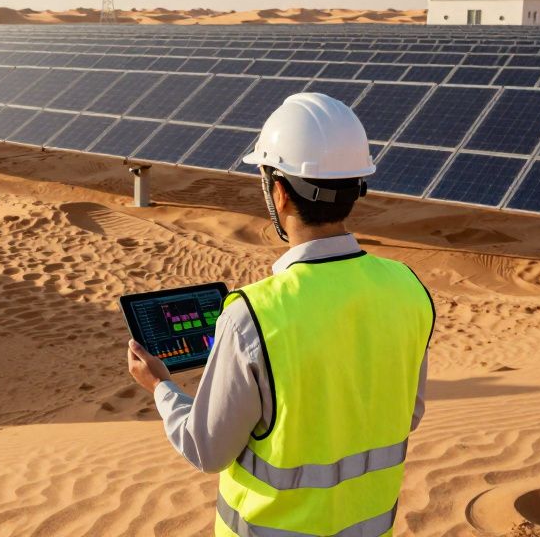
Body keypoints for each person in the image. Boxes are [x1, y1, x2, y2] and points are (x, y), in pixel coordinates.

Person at [127, 92, 435, 536]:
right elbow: (407, 413)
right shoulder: (409, 289)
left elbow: (206, 450)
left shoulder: (252, 315)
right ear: (354, 188)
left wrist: (160, 385)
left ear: (278, 194)